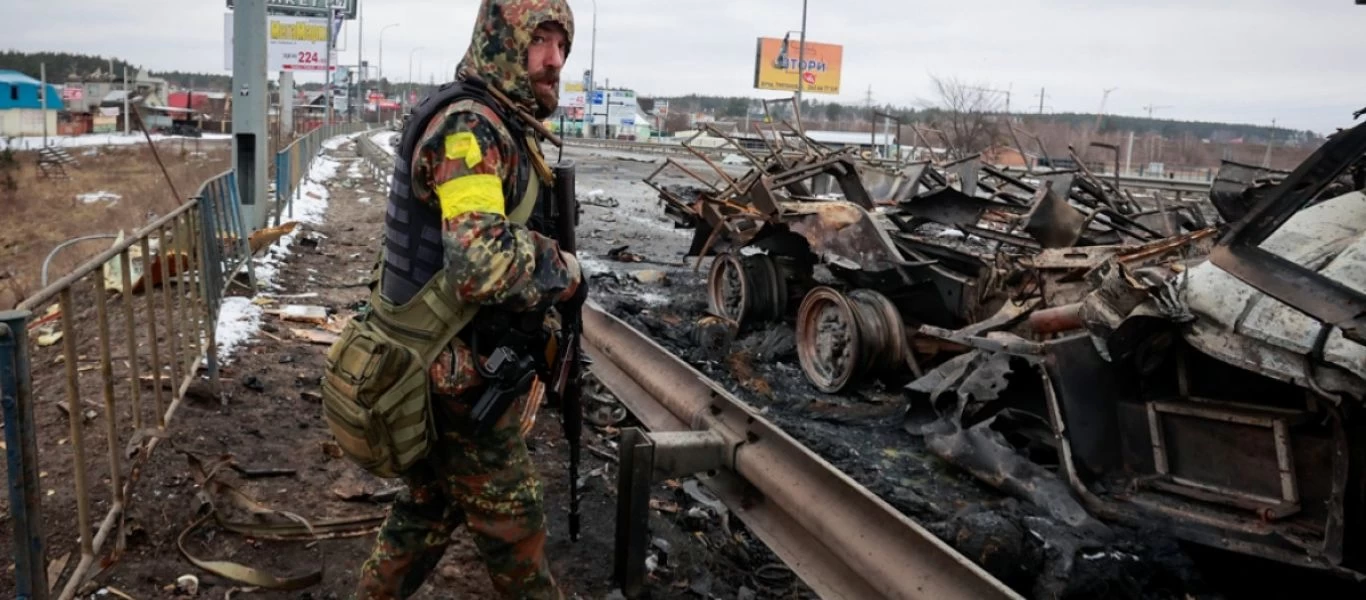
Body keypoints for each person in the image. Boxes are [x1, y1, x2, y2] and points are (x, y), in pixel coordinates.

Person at [354, 1, 579, 598]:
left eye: (562, 44)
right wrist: (566, 269)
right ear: (503, 40)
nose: (554, 60)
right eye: (541, 41)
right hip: (451, 375)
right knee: (515, 532)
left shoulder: (494, 119)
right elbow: (480, 262)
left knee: (428, 510)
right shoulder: (471, 129)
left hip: (434, 361)